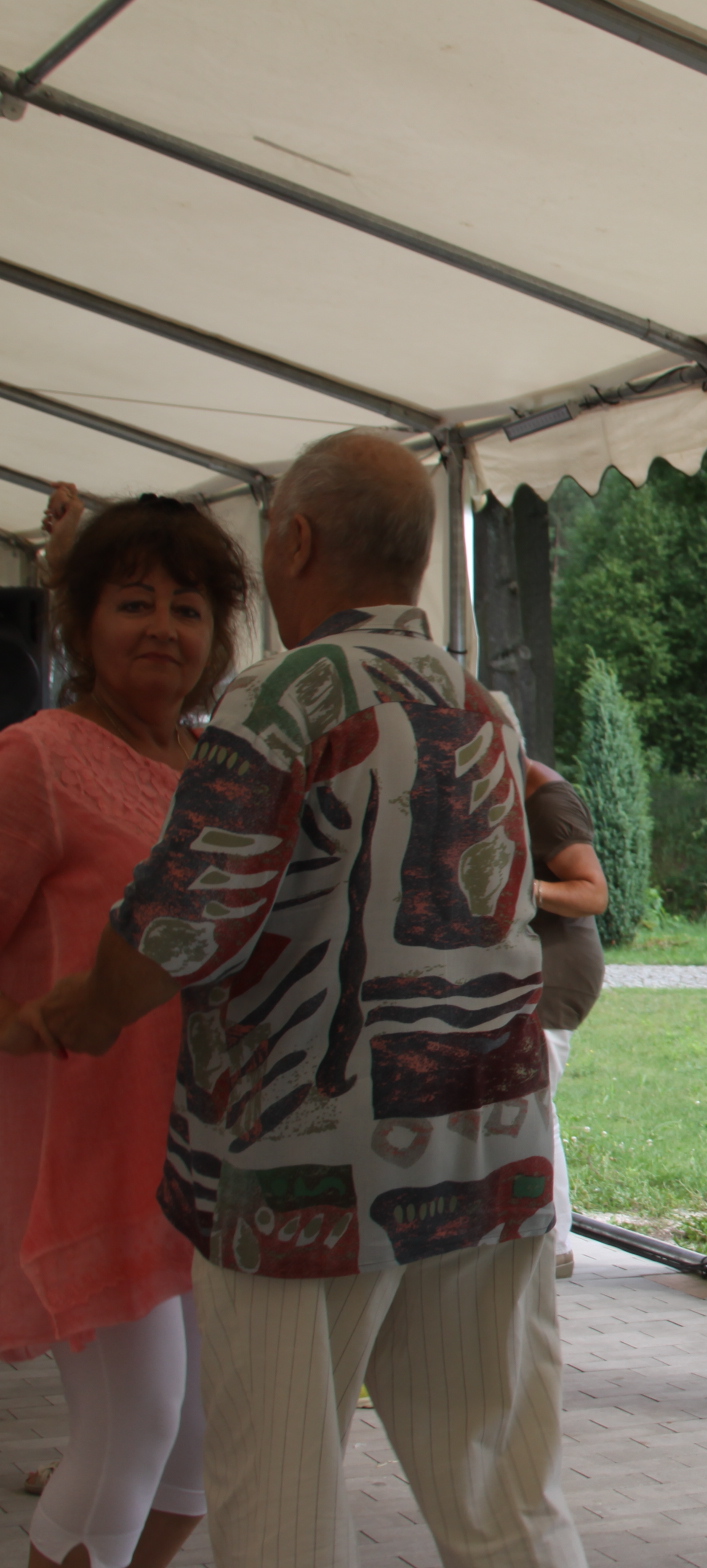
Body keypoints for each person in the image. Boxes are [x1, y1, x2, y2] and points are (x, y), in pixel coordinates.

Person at [2, 431, 587, 1568]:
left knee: (280, 1503)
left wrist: (90, 1007)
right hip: (484, 1155)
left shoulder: (282, 696)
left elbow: (183, 918)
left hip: (304, 1179)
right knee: (505, 1495)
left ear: (298, 539)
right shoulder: (484, 705)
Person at [1, 484, 251, 1568]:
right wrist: (25, 1023)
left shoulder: (220, 772)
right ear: (83, 619)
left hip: (199, 1153)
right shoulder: (38, 756)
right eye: (134, 601)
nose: (162, 627)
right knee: (132, 1428)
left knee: (196, 1447)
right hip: (83, 1151)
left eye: (187, 607)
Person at [516, 718, 608, 1278]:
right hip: (523, 968)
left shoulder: (548, 801)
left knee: (531, 1106)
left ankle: (553, 1247)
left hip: (556, 973)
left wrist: (518, 889)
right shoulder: (506, 790)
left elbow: (592, 892)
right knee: (522, 1105)